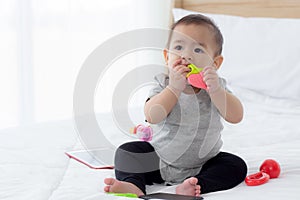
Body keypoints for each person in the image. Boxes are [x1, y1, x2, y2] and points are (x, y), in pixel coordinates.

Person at [104, 14, 247, 197]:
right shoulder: (163, 84)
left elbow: (236, 116)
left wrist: (216, 91)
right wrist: (173, 89)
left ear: (215, 63)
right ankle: (133, 184)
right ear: (167, 56)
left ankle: (196, 185)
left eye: (198, 50)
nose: (186, 55)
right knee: (127, 152)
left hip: (205, 163)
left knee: (236, 166)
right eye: (179, 47)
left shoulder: (216, 87)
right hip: (159, 160)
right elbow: (152, 115)